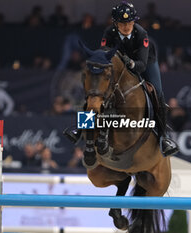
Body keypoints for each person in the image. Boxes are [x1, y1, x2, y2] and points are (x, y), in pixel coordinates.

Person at [64, 1, 178, 156]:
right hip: (118, 64)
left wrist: (130, 63)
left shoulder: (141, 34)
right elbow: (104, 56)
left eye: (129, 22)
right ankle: (81, 129)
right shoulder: (109, 32)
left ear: (134, 21)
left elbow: (142, 65)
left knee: (157, 91)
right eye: (122, 23)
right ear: (115, 23)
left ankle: (164, 137)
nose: (126, 27)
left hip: (144, 62)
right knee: (95, 92)